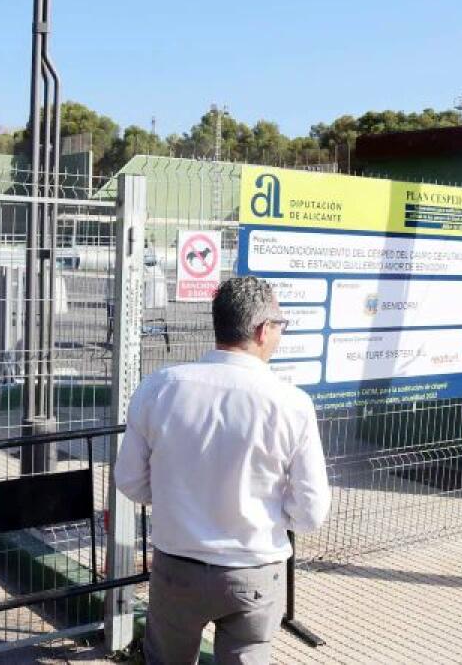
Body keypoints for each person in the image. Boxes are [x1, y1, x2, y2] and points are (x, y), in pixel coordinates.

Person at [116, 276, 331, 665]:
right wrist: (267, 515)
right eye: (280, 325)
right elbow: (311, 512)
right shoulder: (291, 404)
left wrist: (176, 500)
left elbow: (130, 480)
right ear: (263, 330)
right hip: (255, 571)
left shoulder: (160, 388)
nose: (280, 334)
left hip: (176, 565)